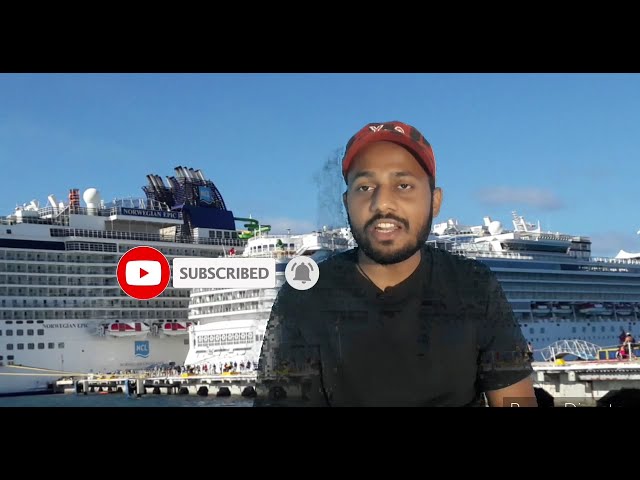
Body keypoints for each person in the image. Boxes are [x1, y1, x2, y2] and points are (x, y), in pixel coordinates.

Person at [254, 120, 537, 407]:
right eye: (365, 187)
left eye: (403, 185)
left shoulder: (475, 286)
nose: (382, 203)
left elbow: (515, 398)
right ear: (347, 202)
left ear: (435, 201)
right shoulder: (303, 296)